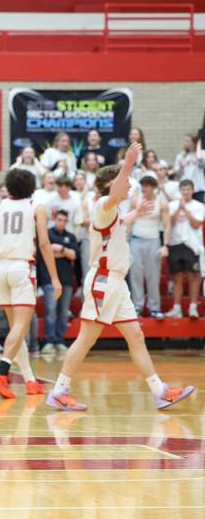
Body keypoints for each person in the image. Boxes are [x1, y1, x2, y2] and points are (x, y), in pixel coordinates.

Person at [61, 149, 197, 412]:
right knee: (86, 339)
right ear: (111, 185)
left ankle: (161, 391)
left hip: (117, 284)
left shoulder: (113, 212)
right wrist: (129, 163)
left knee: (136, 337)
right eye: (125, 181)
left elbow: (119, 223)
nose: (130, 185)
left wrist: (136, 212)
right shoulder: (102, 204)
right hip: (102, 281)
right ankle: (60, 390)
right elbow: (114, 200)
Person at [0, 169, 60, 398]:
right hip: (21, 267)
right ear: (32, 187)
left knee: (17, 327)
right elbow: (44, 244)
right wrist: (54, 278)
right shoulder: (37, 206)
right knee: (21, 327)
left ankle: (30, 380)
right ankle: (1, 370)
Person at [128, 175, 170, 319]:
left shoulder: (161, 202)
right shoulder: (135, 200)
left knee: (153, 276)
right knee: (136, 274)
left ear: (153, 187)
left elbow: (167, 224)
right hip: (136, 240)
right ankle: (137, 307)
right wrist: (125, 242)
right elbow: (128, 220)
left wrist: (165, 245)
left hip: (153, 241)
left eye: (147, 186)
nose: (144, 189)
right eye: (142, 186)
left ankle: (154, 307)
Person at [37, 209, 78, 354]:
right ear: (54, 220)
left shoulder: (71, 237)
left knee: (62, 312)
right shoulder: (47, 234)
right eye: (59, 220)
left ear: (67, 222)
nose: (61, 222)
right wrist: (64, 252)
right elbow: (45, 253)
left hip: (66, 281)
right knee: (50, 311)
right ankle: (49, 341)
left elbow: (73, 255)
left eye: (64, 220)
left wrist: (59, 248)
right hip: (49, 280)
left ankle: (60, 340)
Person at [166, 179, 205, 319]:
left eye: (188, 189)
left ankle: (193, 307)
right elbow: (169, 223)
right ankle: (176, 308)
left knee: (193, 277)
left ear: (193, 191)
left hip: (191, 245)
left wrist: (185, 210)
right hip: (175, 243)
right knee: (176, 278)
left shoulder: (199, 206)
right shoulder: (172, 205)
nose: (186, 192)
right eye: (183, 190)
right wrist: (178, 208)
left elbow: (196, 224)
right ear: (180, 191)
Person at [173, 134, 205, 202]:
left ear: (194, 143)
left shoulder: (202, 153)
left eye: (188, 141)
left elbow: (202, 165)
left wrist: (199, 157)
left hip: (198, 188)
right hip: (185, 189)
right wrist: (181, 165)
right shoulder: (181, 155)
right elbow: (177, 174)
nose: (185, 143)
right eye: (185, 141)